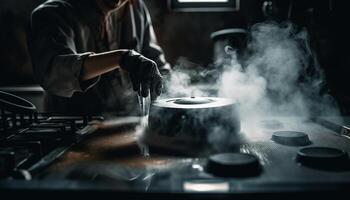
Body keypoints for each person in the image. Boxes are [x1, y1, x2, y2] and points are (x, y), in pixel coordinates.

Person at [28, 0, 171, 116]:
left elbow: (157, 63)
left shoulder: (136, 8)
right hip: (73, 128)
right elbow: (54, 74)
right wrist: (120, 58)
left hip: (124, 123)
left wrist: (167, 90)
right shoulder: (53, 13)